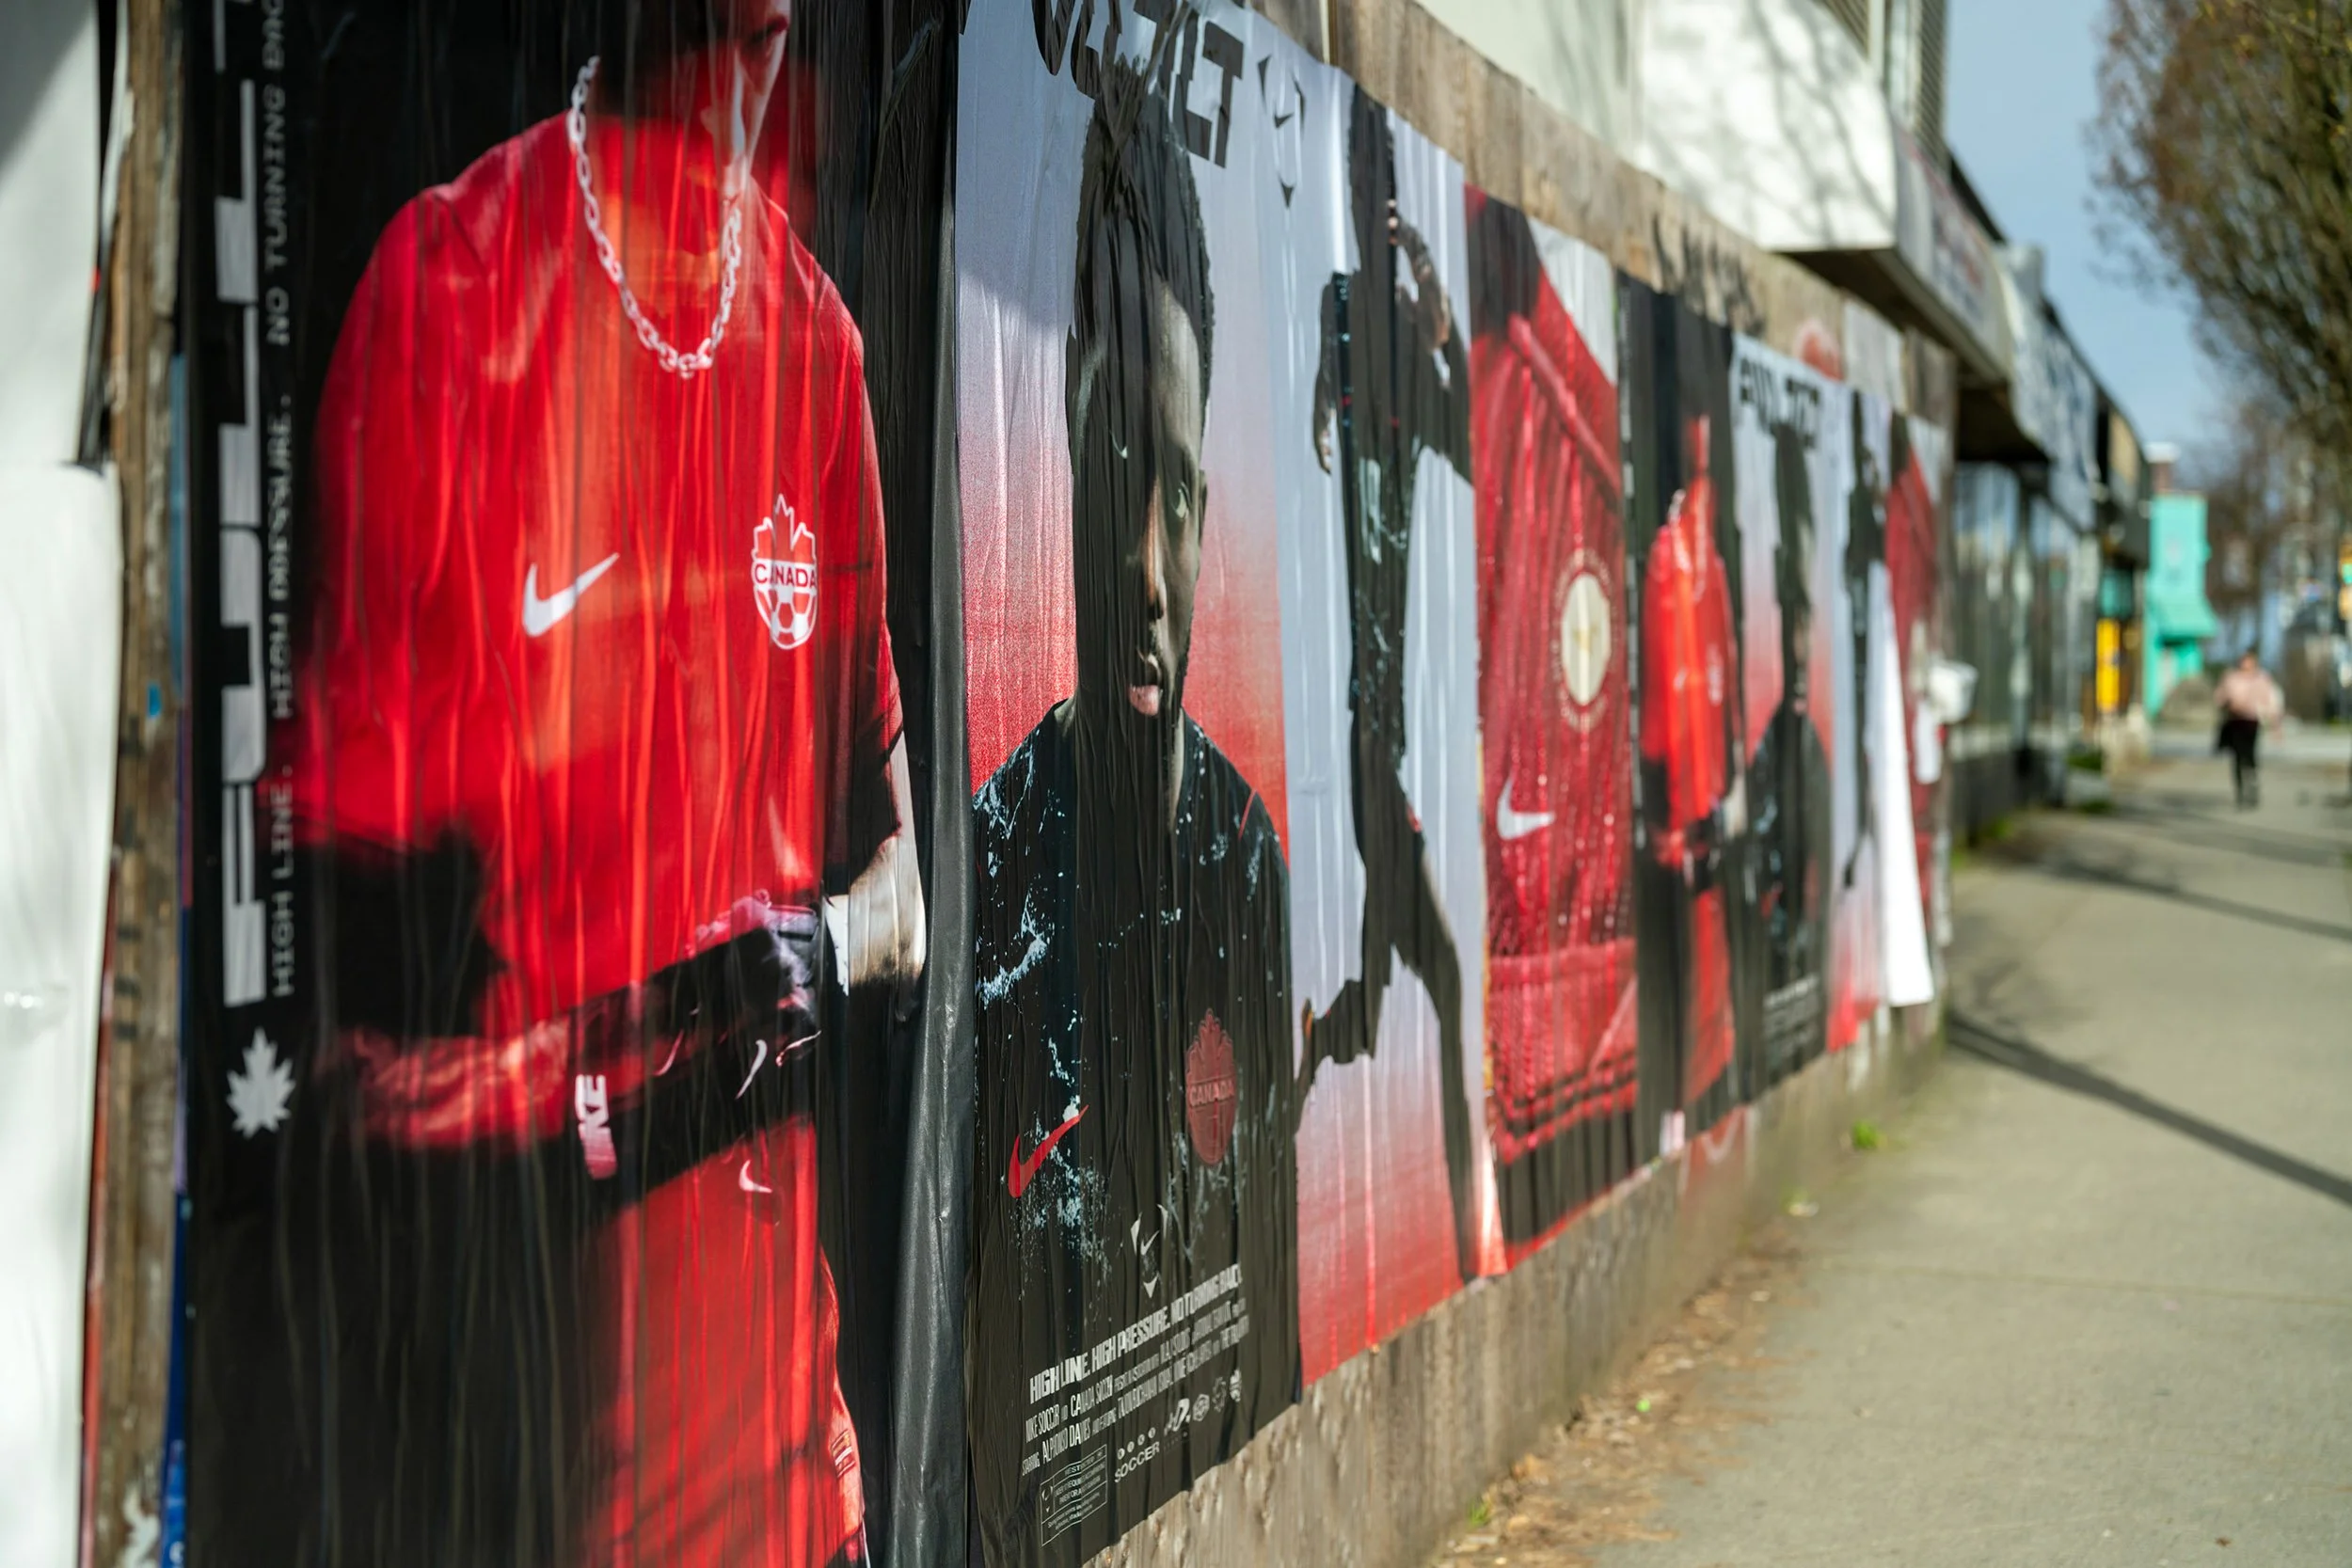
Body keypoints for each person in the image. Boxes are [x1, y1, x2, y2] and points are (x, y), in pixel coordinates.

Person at [286, 3, 924, 1562]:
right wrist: (610, 1063)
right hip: (524, 1480)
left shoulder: (816, 345)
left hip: (791, 1483)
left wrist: (816, 950)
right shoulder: (451, 291)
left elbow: (909, 889)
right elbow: (326, 1069)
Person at [968, 63, 1298, 1566]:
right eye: (1116, 489)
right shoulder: (987, 863)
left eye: (1176, 493)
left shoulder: (1244, 862)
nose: (1152, 576)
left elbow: (1270, 1304)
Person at [1301, 84, 1479, 1285]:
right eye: (1361, 195)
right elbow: (1324, 426)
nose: (1375, 214)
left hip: (1388, 693)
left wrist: (1432, 299)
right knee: (1450, 978)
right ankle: (1352, 1006)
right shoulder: (1341, 313)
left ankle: (1354, 1007)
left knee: (1437, 972)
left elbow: (1463, 421)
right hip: (1357, 693)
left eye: (1388, 198)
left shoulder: (1405, 334)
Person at [1638, 410, 1745, 1136]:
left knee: (1701, 960)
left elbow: (1718, 679)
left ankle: (1697, 1092)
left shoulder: (1694, 563)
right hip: (1687, 807)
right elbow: (1672, 691)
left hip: (1694, 807)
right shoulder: (1675, 559)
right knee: (1688, 961)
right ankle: (1687, 1098)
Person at [1747, 429, 1835, 1082]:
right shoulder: (1773, 751)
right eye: (1793, 618)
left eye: (1808, 622)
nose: (1801, 647)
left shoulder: (1809, 755)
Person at [2214, 650, 2284, 807]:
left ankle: (2253, 785)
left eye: (2249, 661)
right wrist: (2227, 702)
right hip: (2235, 721)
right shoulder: (2231, 678)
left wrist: (2275, 726)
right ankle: (2240, 791)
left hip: (2252, 722)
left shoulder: (2261, 679)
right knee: (2238, 757)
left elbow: (2270, 702)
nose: (2245, 664)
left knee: (2250, 755)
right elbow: (2219, 698)